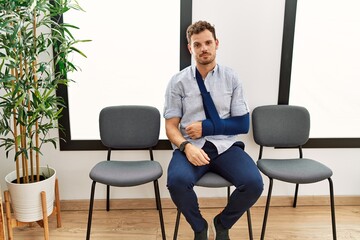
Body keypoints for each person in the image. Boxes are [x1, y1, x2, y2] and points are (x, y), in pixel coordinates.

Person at [163, 20, 264, 240]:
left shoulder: (232, 78)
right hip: (191, 147)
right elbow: (171, 126)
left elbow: (242, 124)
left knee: (254, 184)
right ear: (190, 48)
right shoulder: (177, 82)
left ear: (216, 43)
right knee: (176, 182)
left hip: (225, 146)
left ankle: (222, 222)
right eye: (197, 45)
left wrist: (207, 127)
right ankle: (199, 227)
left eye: (208, 42)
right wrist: (186, 147)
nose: (204, 48)